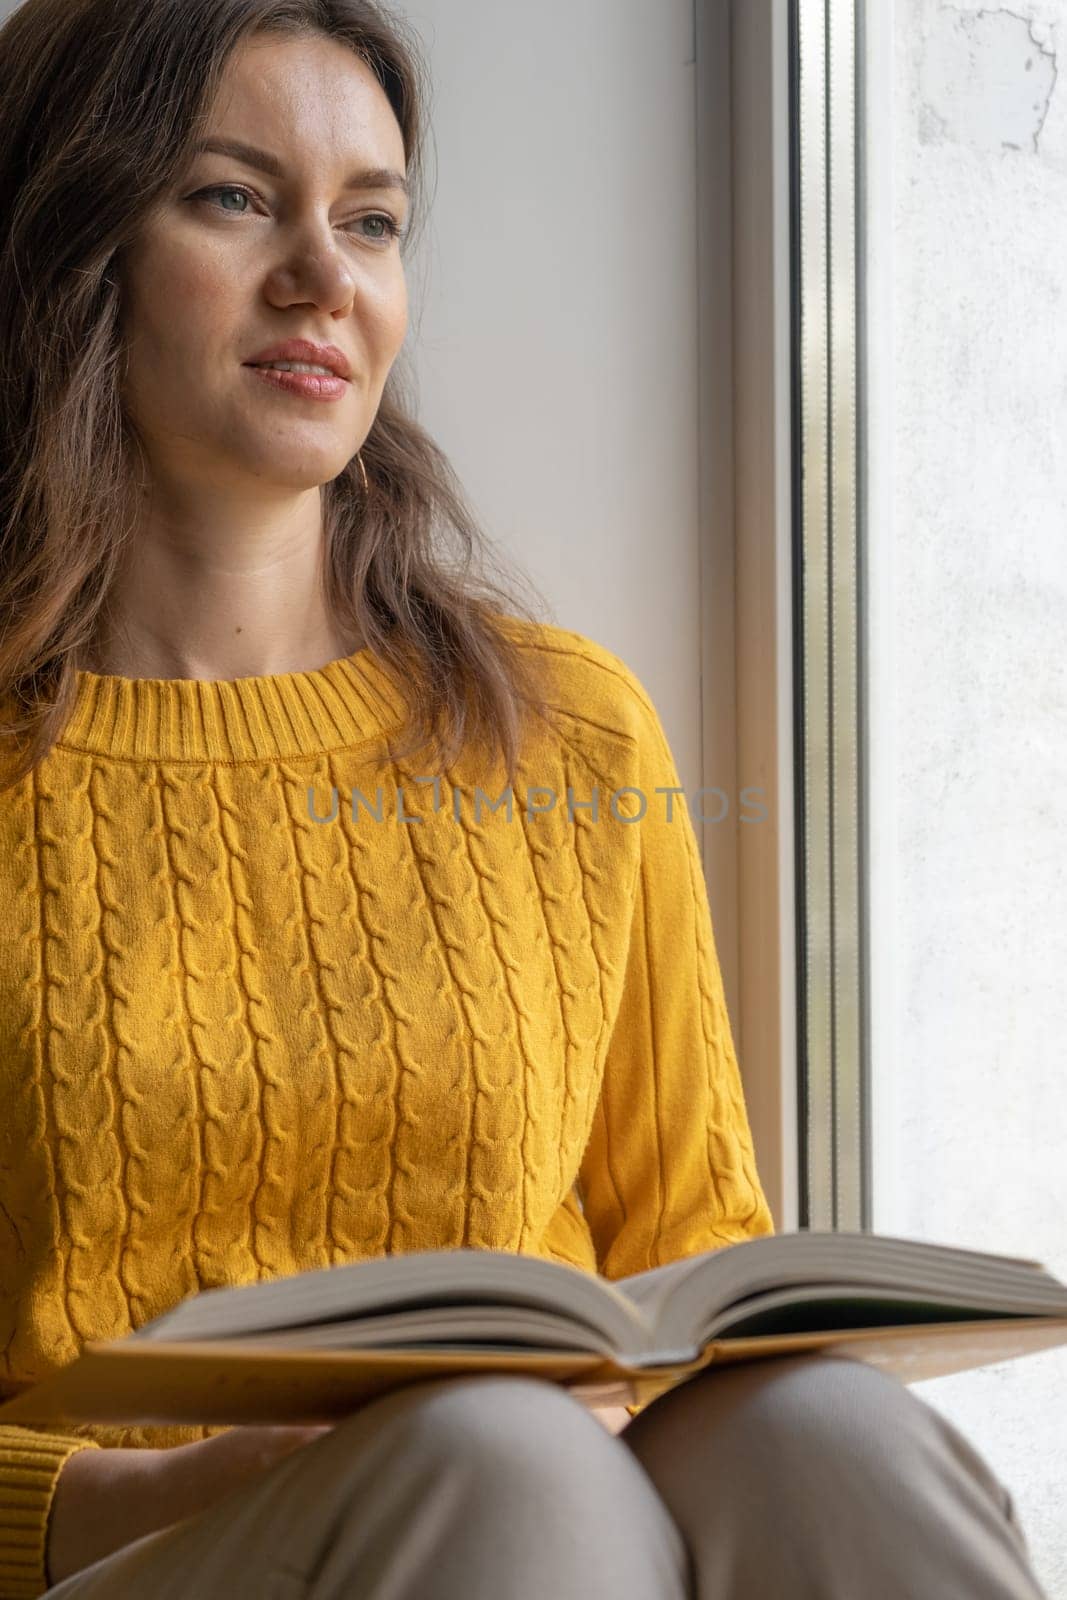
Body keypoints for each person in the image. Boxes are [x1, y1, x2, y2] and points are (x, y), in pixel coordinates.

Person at [0, 2, 1048, 1597]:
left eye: (371, 222)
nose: (322, 277)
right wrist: (152, 1485)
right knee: (496, 1456)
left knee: (824, 1427)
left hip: (549, 1517)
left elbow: (694, 1266)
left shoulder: (567, 734)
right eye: (231, 197)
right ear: (78, 239)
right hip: (137, 1555)